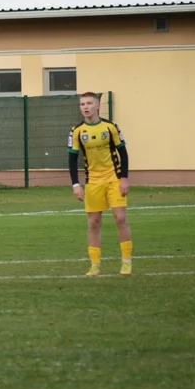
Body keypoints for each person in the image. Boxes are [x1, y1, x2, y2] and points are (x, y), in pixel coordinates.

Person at [68, 91, 133, 277]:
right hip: (93, 181)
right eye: (82, 104)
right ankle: (95, 265)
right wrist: (75, 184)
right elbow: (72, 159)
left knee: (120, 218)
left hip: (113, 177)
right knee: (93, 223)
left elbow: (123, 152)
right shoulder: (77, 131)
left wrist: (124, 178)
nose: (85, 107)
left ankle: (126, 262)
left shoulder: (110, 127)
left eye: (89, 103)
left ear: (98, 106)